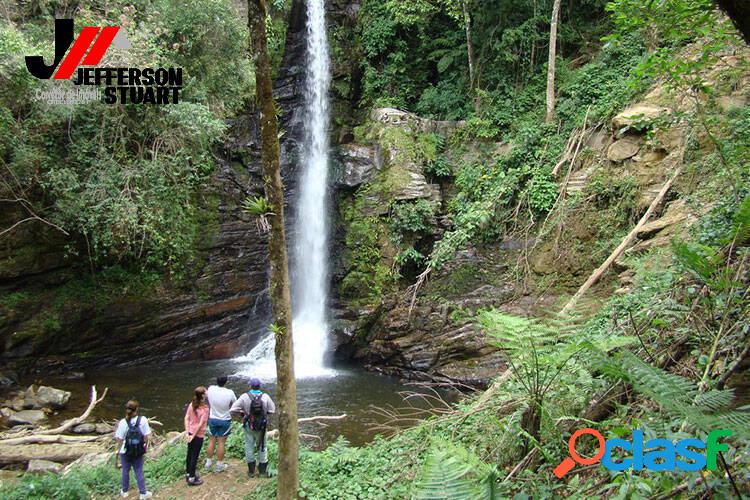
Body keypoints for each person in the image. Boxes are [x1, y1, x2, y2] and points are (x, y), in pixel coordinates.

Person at [230, 377, 275, 478]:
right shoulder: (265, 396)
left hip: (249, 426)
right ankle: (263, 472)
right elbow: (272, 410)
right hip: (262, 427)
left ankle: (251, 471)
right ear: (260, 386)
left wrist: (243, 413)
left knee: (249, 446)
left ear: (250, 386)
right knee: (263, 446)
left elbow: (233, 409)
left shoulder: (244, 397)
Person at [114, 399, 153, 499]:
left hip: (125, 451)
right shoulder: (143, 420)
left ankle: (124, 491)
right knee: (139, 470)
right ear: (137, 409)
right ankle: (143, 493)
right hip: (138, 450)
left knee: (125, 471)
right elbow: (148, 435)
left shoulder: (123, 422)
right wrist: (145, 446)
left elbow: (119, 438)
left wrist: (118, 451)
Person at [204, 375, 237, 473]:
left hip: (213, 419)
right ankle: (219, 465)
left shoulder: (211, 389)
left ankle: (208, 463)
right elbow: (235, 404)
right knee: (221, 443)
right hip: (225, 420)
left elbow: (205, 394)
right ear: (226, 382)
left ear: (216, 381)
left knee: (211, 441)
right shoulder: (230, 392)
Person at [184, 386, 209, 486]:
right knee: (194, 456)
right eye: (205, 391)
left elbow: (186, 418)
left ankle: (188, 473)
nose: (207, 392)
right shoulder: (205, 409)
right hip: (198, 435)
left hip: (190, 432)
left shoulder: (192, 404)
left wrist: (187, 433)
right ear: (202, 395)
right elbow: (200, 424)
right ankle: (192, 479)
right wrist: (194, 436)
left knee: (189, 454)